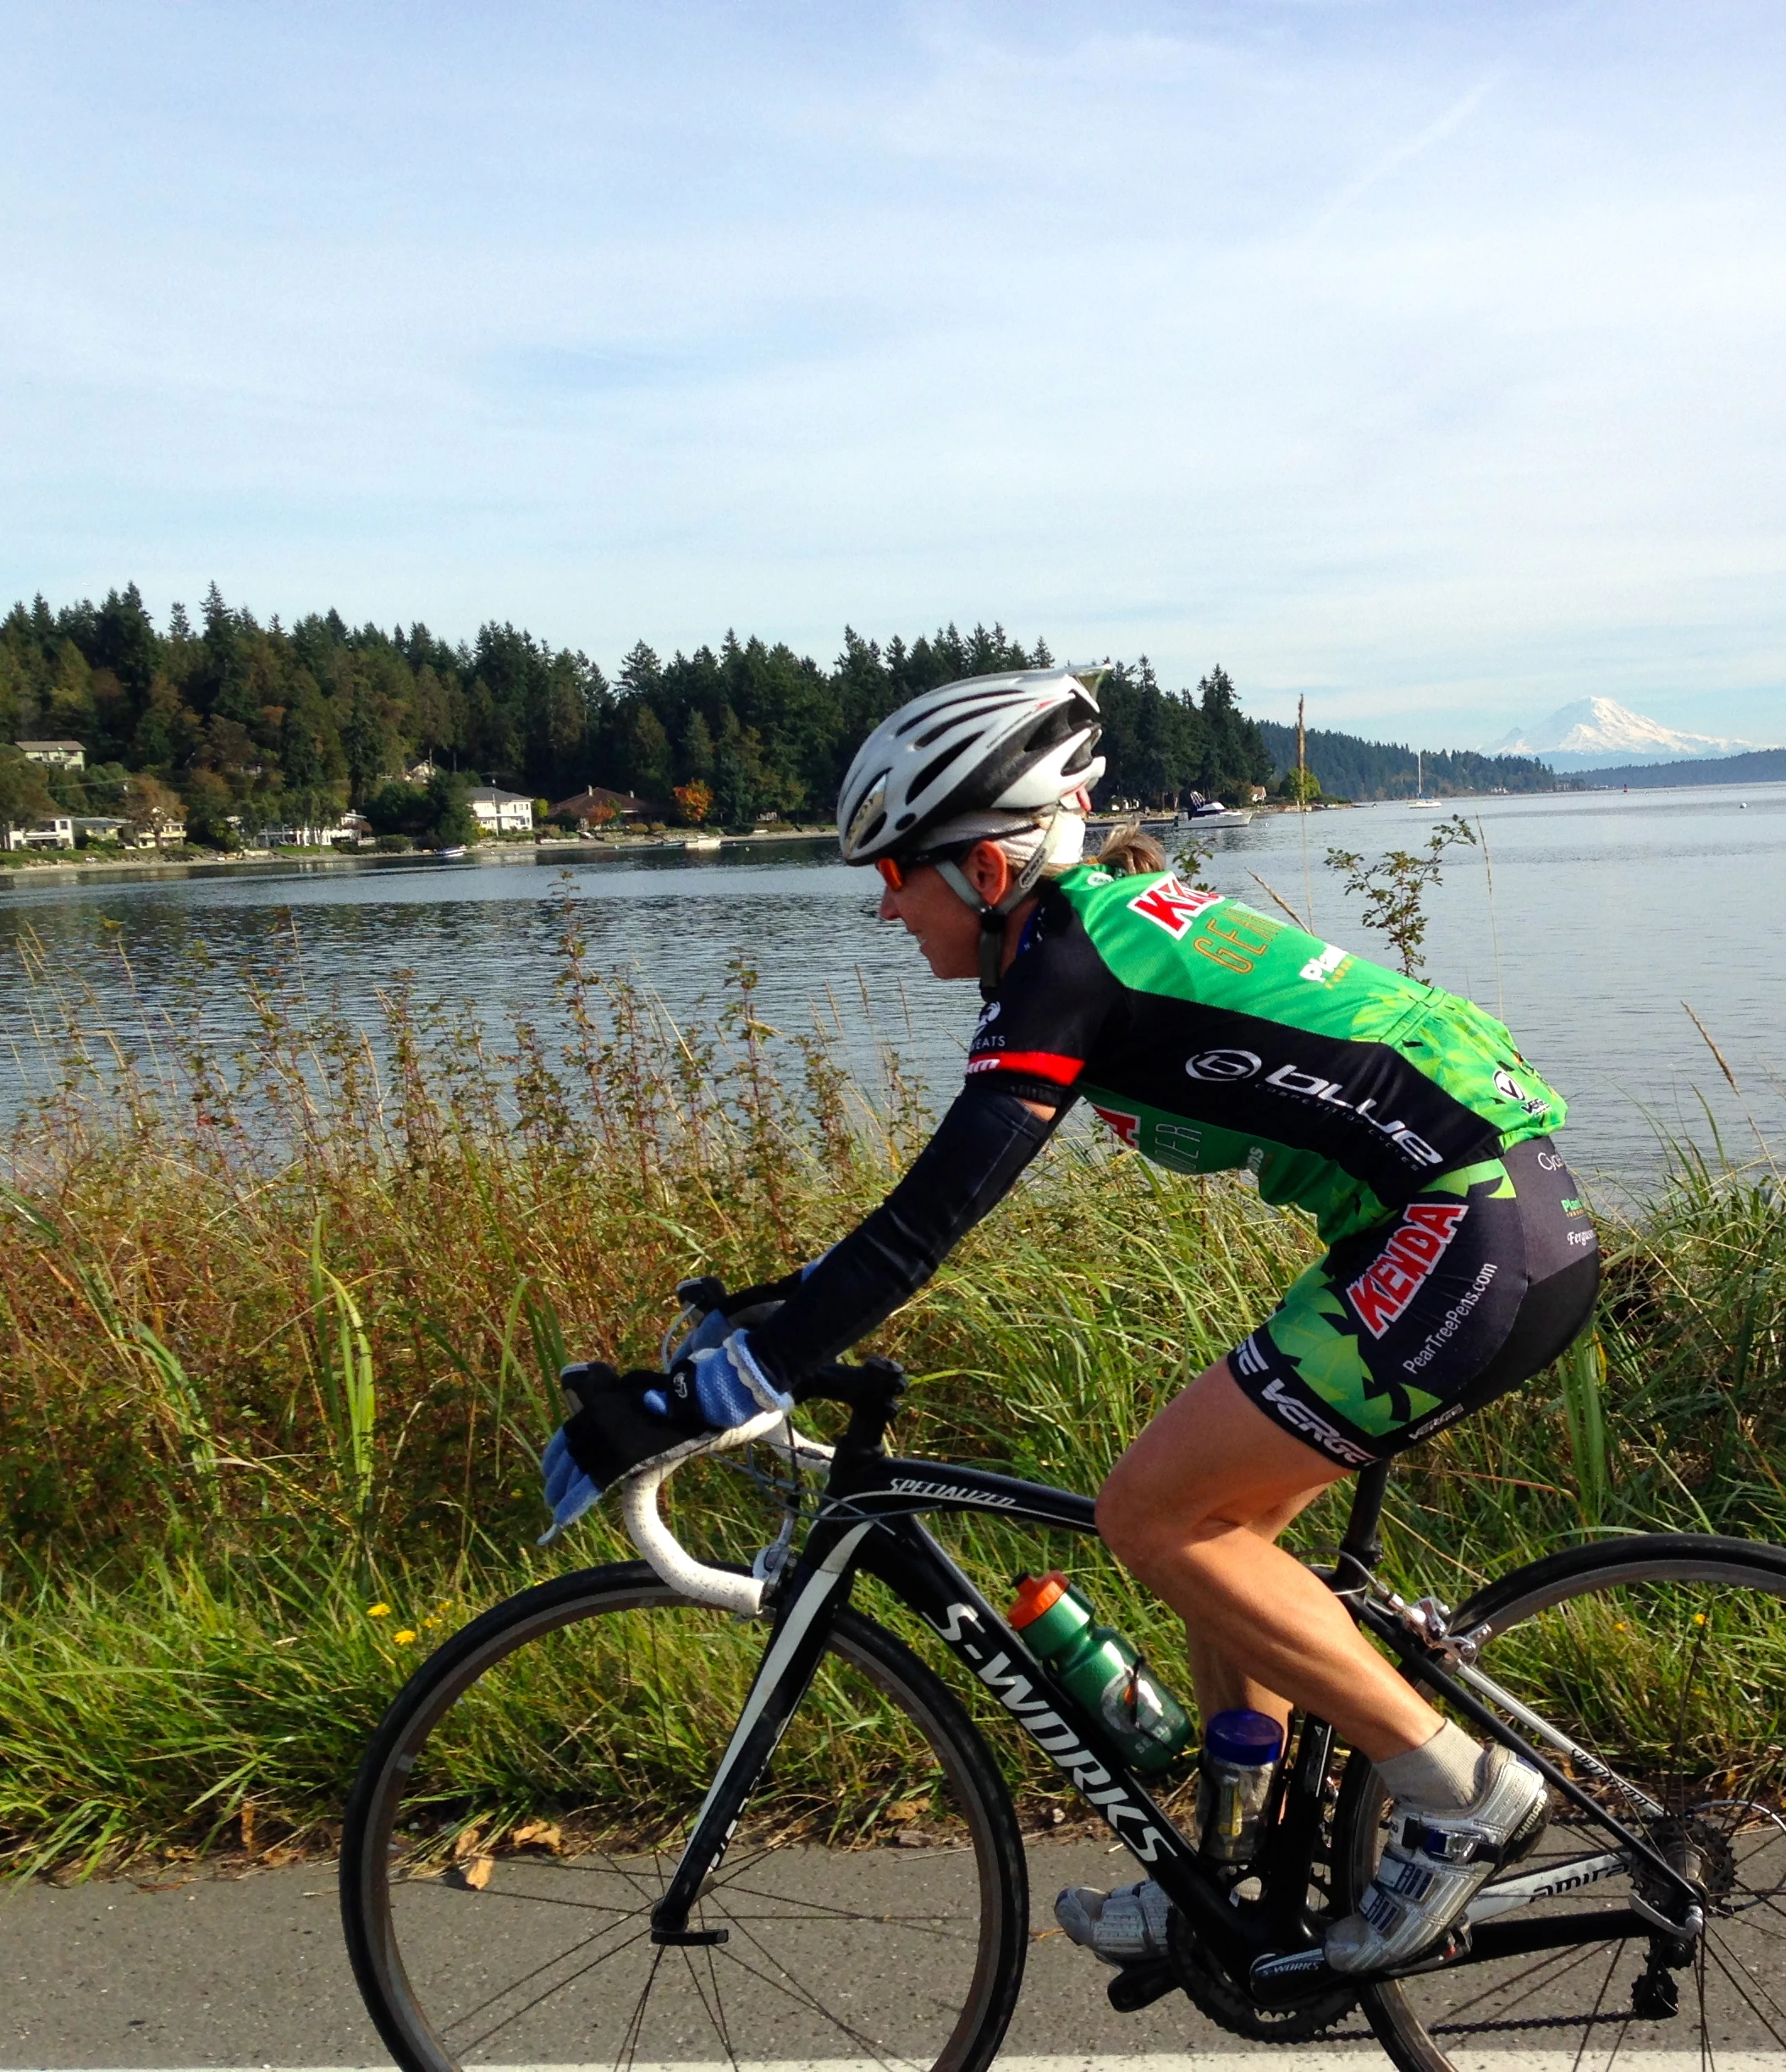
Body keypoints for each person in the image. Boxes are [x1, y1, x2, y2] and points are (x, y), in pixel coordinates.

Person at [541, 666, 1599, 1976]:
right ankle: (1235, 1879)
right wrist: (781, 1314)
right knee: (1225, 1539)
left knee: (1153, 1517)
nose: (882, 905)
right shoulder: (1081, 934)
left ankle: (1457, 1788)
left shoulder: (1067, 961)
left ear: (986, 869)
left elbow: (936, 1213)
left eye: (896, 873)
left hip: (1465, 1230)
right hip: (1455, 1220)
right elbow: (922, 1208)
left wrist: (741, 1373)